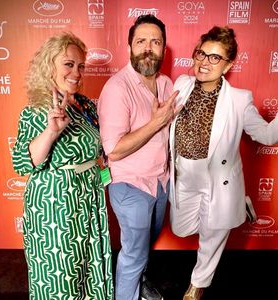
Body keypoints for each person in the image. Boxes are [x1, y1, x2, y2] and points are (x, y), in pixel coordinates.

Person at [169, 26, 278, 300]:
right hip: (184, 175)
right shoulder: (181, 85)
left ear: (228, 65)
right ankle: (240, 204)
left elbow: (266, 135)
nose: (204, 62)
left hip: (218, 179)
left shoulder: (238, 100)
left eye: (215, 58)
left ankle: (197, 285)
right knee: (182, 227)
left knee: (213, 236)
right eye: (201, 53)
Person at [12, 32, 113, 300]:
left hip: (89, 197)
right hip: (57, 206)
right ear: (49, 66)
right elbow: (22, 162)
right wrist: (51, 131)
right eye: (68, 64)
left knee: (90, 271)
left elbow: (103, 148)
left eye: (81, 66)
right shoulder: (36, 109)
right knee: (61, 278)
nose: (77, 72)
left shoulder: (86, 106)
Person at [97, 14, 181, 300]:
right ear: (129, 47)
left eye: (155, 42)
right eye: (141, 41)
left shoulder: (168, 85)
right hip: (130, 185)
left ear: (163, 48)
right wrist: (156, 122)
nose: (148, 48)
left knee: (144, 247)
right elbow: (114, 149)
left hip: (160, 183)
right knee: (133, 254)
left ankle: (138, 286)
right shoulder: (117, 88)